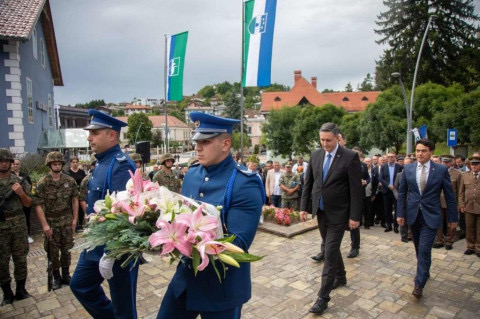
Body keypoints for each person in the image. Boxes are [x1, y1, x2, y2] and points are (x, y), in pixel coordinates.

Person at [157, 112, 264, 318]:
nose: (197, 146)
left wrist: (186, 237)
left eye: (205, 141)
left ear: (225, 144)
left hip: (222, 288)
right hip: (186, 280)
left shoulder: (244, 182)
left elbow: (238, 244)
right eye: (196, 140)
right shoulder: (192, 173)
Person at [70, 109, 139, 318]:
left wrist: (112, 251)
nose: (89, 137)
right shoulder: (101, 161)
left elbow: (125, 214)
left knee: (124, 306)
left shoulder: (120, 164)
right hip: (96, 242)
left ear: (111, 135)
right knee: (80, 285)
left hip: (117, 249)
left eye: (95, 132)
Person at [300, 122, 362, 315]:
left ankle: (323, 298)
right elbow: (309, 183)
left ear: (337, 138)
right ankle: (341, 277)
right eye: (322, 140)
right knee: (330, 247)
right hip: (321, 211)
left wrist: (354, 216)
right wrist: (303, 208)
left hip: (339, 213)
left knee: (329, 251)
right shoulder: (316, 155)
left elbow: (355, 190)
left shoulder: (350, 157)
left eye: (328, 140)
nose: (325, 143)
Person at [397, 139, 457, 298]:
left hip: (431, 216)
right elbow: (402, 193)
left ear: (430, 152)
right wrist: (400, 213)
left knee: (424, 249)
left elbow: (450, 197)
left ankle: (419, 283)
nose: (419, 154)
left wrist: (453, 218)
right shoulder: (408, 169)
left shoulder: (441, 170)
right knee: (419, 248)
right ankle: (425, 271)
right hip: (413, 215)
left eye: (423, 151)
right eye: (417, 151)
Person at [34, 152, 79, 290]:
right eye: (54, 164)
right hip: (51, 221)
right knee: (52, 251)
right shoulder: (42, 183)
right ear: (49, 165)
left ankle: (66, 275)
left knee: (67, 249)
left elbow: (75, 200)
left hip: (66, 220)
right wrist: (45, 225)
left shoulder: (69, 181)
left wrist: (75, 219)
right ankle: (56, 276)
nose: (57, 166)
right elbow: (38, 205)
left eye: (59, 163)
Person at [0, 149, 32, 306]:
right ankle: (7, 293)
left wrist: (20, 193)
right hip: (1, 227)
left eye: (7, 161)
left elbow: (28, 203)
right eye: (1, 161)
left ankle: (21, 290)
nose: (4, 163)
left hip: (18, 224)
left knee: (20, 258)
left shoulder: (19, 181)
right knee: (1, 261)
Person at [432, 155, 461, 250]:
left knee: (451, 222)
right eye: (443, 162)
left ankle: (449, 241)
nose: (445, 164)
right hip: (438, 201)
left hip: (451, 202)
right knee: (438, 222)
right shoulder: (436, 172)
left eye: (447, 162)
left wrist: (459, 204)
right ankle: (438, 240)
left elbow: (460, 191)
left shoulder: (457, 174)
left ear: (452, 162)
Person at [458, 156, 480, 257]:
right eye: (472, 165)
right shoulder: (465, 175)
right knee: (469, 227)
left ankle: (478, 247)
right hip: (469, 206)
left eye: (476, 164)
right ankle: (470, 247)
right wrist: (461, 204)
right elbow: (461, 192)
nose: (474, 166)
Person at [379, 152, 403, 232]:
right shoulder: (383, 167)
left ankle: (396, 226)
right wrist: (388, 185)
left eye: (392, 157)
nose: (390, 158)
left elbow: (401, 178)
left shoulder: (399, 167)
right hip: (386, 190)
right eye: (388, 157)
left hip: (396, 191)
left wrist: (396, 187)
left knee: (396, 209)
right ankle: (388, 225)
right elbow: (381, 178)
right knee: (387, 209)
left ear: (395, 157)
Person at [11, 159, 34, 243]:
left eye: (17, 164)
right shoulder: (8, 175)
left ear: (20, 165)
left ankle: (28, 235)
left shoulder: (24, 175)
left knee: (26, 218)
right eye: (14, 164)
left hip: (25, 198)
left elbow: (30, 186)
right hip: (14, 201)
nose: (15, 165)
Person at [66, 156, 86, 233]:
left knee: (81, 209)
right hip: (72, 193)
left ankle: (80, 225)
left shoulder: (81, 172)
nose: (75, 164)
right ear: (71, 163)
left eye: (76, 162)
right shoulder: (68, 173)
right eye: (73, 162)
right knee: (73, 209)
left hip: (80, 192)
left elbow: (84, 181)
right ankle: (73, 224)